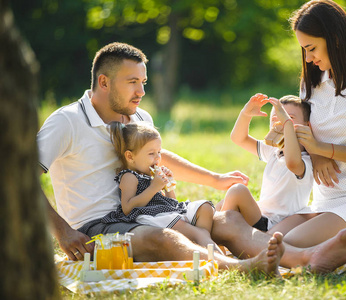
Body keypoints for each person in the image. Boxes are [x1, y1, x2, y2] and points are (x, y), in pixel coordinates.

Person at [37, 42, 284, 276]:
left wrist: (215, 179)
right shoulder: (66, 121)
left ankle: (303, 259)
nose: (142, 92)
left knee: (225, 220)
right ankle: (243, 267)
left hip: (147, 212)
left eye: (143, 82)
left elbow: (157, 158)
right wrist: (62, 231)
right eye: (132, 82)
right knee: (162, 237)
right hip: (97, 229)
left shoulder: (139, 117)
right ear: (104, 82)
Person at [258, 0, 346, 248]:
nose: (308, 58)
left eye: (312, 48)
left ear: (335, 39)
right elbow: (304, 133)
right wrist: (316, 155)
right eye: (304, 51)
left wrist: (323, 149)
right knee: (267, 239)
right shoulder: (311, 83)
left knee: (288, 243)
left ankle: (336, 248)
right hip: (325, 202)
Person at [101, 121, 222, 253]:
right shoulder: (129, 177)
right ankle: (209, 249)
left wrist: (168, 187)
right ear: (130, 156)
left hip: (167, 212)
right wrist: (154, 187)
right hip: (152, 217)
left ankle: (200, 242)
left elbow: (172, 203)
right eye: (151, 154)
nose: (157, 158)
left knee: (205, 208)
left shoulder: (150, 175)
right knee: (199, 233)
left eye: (159, 152)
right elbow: (127, 208)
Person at [216, 94, 314, 234]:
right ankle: (211, 234)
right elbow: (239, 138)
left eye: (289, 118)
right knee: (220, 205)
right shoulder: (274, 152)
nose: (280, 123)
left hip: (272, 226)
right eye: (275, 119)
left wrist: (287, 125)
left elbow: (292, 163)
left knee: (238, 191)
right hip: (259, 216)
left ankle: (220, 235)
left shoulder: (306, 162)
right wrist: (245, 114)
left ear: (307, 125)